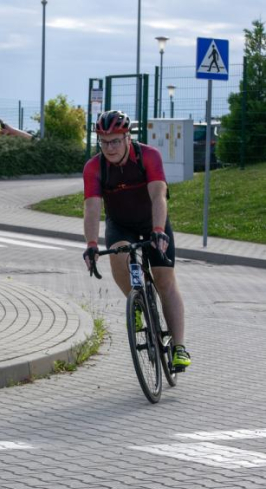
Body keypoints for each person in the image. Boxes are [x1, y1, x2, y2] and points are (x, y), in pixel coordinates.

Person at [82, 110, 191, 370]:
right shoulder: (94, 167)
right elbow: (92, 207)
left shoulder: (148, 156)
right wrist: (91, 245)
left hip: (152, 221)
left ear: (127, 137)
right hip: (120, 225)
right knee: (118, 255)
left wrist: (158, 229)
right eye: (104, 142)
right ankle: (137, 301)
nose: (109, 147)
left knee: (165, 281)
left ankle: (179, 347)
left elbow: (158, 195)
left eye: (115, 141)